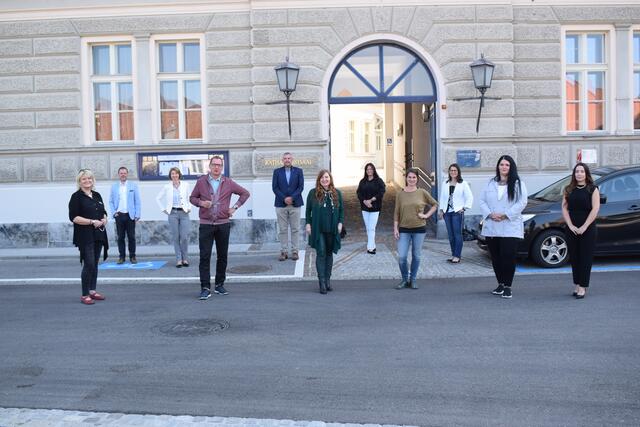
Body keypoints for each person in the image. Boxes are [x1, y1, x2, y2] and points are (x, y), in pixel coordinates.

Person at [190, 156, 250, 300]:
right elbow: (192, 198)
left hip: (223, 224)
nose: (216, 168)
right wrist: (201, 203)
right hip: (206, 224)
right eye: (214, 165)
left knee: (222, 256)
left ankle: (219, 285)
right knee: (204, 257)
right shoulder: (201, 181)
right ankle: (205, 287)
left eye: (219, 165)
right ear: (209, 166)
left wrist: (234, 207)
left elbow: (245, 193)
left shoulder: (228, 182)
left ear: (222, 168)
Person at [479, 155, 528, 299]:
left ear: (511, 167)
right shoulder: (490, 183)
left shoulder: (518, 183)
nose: (504, 167)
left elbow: (522, 202)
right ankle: (500, 284)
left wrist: (506, 214)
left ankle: (508, 286)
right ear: (498, 167)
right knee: (496, 257)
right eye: (502, 164)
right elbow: (482, 201)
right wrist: (490, 214)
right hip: (493, 225)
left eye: (507, 165)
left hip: (509, 226)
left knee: (508, 257)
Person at [68, 169, 109, 305]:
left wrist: (104, 219)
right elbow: (74, 217)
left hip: (99, 233)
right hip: (85, 235)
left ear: (93, 180)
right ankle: (85, 294)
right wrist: (92, 221)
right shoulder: (76, 197)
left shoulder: (97, 195)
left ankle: (92, 290)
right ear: (79, 182)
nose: (87, 181)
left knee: (95, 264)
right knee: (89, 263)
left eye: (89, 179)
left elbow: (103, 212)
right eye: (84, 179)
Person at [393, 168, 438, 290]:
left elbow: (435, 204)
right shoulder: (400, 194)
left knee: (416, 256)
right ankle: (404, 279)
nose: (411, 179)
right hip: (404, 229)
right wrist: (395, 228)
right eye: (409, 177)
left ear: (417, 179)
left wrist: (426, 215)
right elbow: (396, 212)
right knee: (402, 257)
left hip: (419, 229)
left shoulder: (422, 192)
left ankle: (412, 279)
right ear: (406, 178)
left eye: (414, 177)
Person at [562, 162, 600, 299]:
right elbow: (564, 208)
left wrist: (584, 226)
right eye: (577, 171)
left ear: (586, 174)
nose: (579, 174)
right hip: (572, 228)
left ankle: (583, 287)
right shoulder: (568, 189)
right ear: (574, 174)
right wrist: (571, 226)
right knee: (575, 258)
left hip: (588, 228)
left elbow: (595, 209)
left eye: (582, 171)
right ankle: (577, 284)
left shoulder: (593, 189)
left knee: (585, 258)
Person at [305, 170, 344, 294]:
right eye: (322, 178)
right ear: (319, 180)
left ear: (330, 179)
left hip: (332, 229)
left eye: (326, 177)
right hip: (318, 228)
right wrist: (308, 224)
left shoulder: (337, 193)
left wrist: (340, 223)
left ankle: (327, 280)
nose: (324, 180)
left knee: (329, 254)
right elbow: (308, 211)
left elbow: (342, 210)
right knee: (321, 252)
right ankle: (321, 282)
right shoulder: (313, 193)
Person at [156, 167, 192, 268]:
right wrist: (164, 209)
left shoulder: (185, 185)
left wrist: (189, 207)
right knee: (176, 237)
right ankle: (179, 259)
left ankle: (185, 258)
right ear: (170, 175)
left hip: (184, 213)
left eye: (176, 173)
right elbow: (158, 198)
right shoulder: (167, 186)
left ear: (179, 174)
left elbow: (190, 197)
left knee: (184, 237)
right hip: (172, 214)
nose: (174, 175)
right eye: (172, 174)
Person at [438, 163, 473, 263]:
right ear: (449, 172)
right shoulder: (445, 183)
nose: (453, 172)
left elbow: (469, 197)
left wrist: (464, 208)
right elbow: (442, 197)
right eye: (451, 170)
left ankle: (457, 256)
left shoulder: (463, 183)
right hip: (447, 213)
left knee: (457, 234)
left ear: (458, 172)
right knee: (450, 235)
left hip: (457, 212)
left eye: (455, 170)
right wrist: (441, 210)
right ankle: (453, 255)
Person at [272, 152, 304, 261]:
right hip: (281, 204)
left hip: (295, 204)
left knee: (295, 229)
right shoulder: (277, 172)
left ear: (292, 159)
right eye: (285, 158)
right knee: (282, 229)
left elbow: (300, 187)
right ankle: (284, 251)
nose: (287, 160)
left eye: (289, 158)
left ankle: (295, 251)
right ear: (282, 160)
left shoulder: (299, 171)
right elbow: (275, 188)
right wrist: (284, 198)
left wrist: (292, 198)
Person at [109, 166, 141, 264]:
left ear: (127, 174)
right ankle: (121, 257)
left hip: (130, 215)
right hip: (119, 215)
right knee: (120, 237)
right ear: (119, 175)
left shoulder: (133, 185)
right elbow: (110, 201)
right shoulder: (114, 186)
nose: (123, 174)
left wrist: (137, 214)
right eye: (121, 173)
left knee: (131, 237)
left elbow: (137, 201)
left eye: (124, 173)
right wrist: (114, 213)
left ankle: (133, 256)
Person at [356, 163, 386, 254]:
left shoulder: (378, 181)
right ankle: (372, 246)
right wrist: (365, 201)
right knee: (368, 227)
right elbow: (358, 193)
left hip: (375, 207)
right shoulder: (362, 181)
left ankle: (370, 248)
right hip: (365, 208)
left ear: (374, 170)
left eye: (371, 169)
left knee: (371, 228)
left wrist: (371, 200)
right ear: (365, 171)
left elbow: (382, 191)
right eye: (367, 169)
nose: (369, 171)